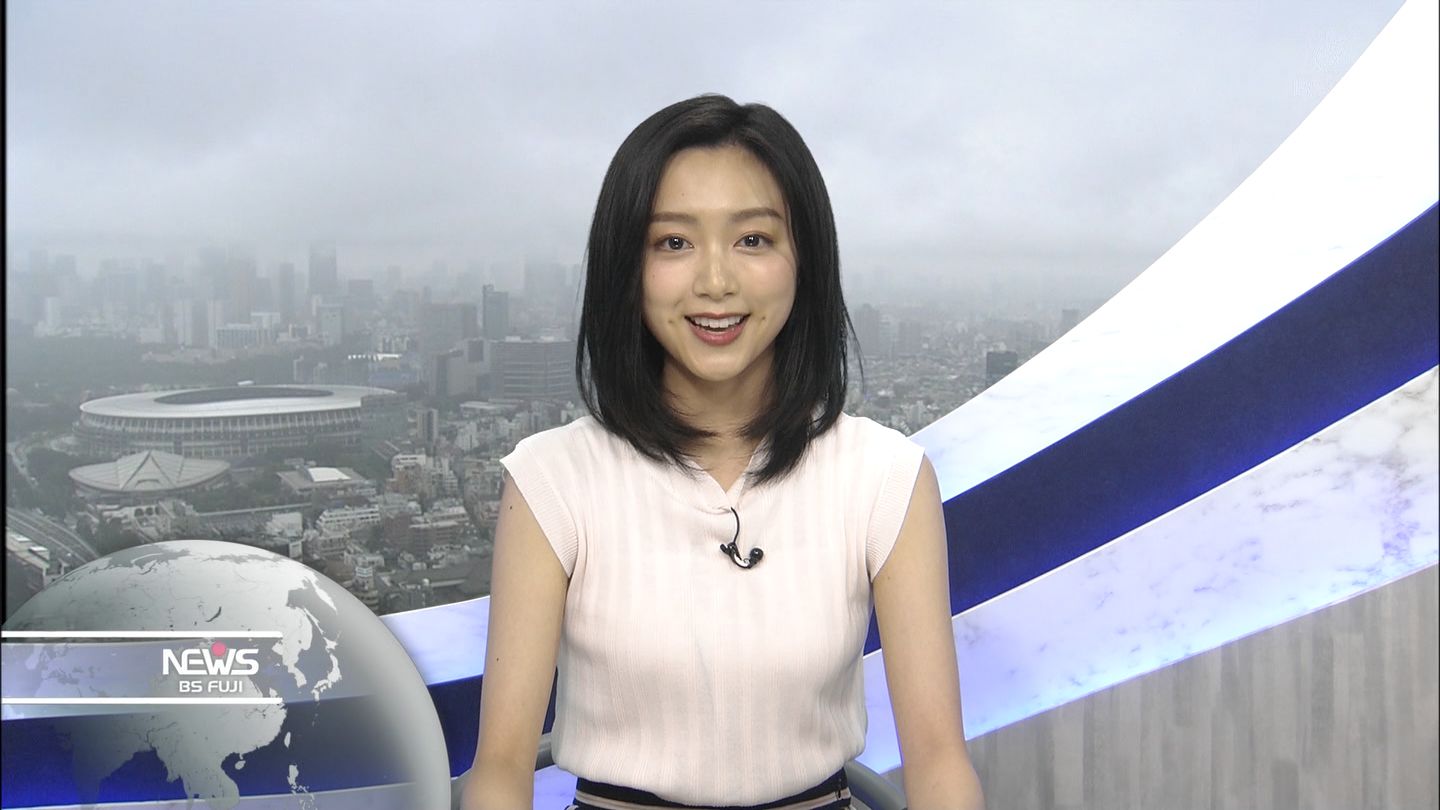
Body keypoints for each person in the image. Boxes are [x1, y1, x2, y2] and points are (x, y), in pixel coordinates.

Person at [462, 94, 984, 810]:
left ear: (805, 260)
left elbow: (939, 761)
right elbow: (500, 767)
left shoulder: (884, 477)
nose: (715, 281)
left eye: (754, 240)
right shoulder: (551, 480)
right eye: (673, 243)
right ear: (627, 267)